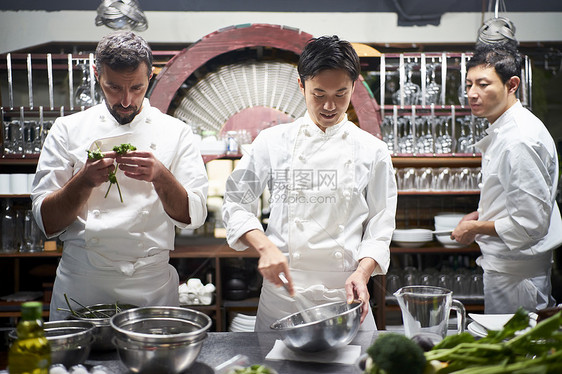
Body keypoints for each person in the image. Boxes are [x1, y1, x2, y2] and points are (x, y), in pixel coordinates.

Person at [222, 36, 397, 331]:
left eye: (341, 94)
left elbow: (381, 224)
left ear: (354, 86)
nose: (330, 106)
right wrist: (264, 247)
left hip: (348, 293)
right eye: (319, 94)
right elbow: (236, 202)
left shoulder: (373, 150)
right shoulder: (271, 142)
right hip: (283, 297)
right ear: (301, 85)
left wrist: (363, 273)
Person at [31, 31, 208, 320]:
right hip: (83, 283)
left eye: (137, 88)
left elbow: (193, 217)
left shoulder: (176, 133)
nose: (126, 101)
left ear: (150, 76)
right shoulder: (67, 130)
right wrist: (85, 180)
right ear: (96, 75)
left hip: (149, 286)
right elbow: (46, 221)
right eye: (114, 88)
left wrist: (161, 176)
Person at [451, 42, 562, 314]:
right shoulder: (505, 129)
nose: (472, 94)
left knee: (516, 350)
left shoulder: (519, 139)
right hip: (507, 268)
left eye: (483, 84)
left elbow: (529, 223)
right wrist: (479, 215)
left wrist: (475, 229)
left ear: (512, 84)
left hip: (518, 275)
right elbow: (512, 198)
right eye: (468, 85)